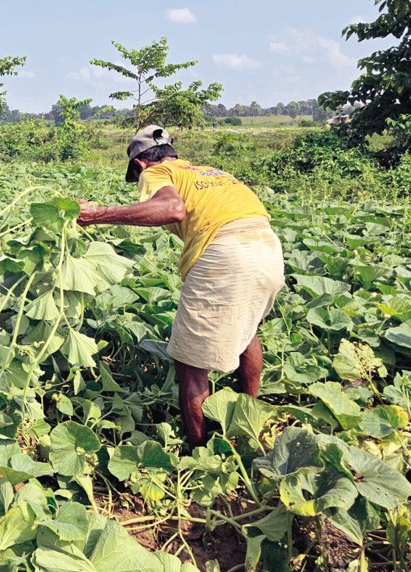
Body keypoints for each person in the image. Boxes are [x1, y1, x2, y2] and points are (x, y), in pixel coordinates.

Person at [76, 125, 284, 446]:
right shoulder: (212, 172)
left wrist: (96, 215)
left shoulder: (156, 173)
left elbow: (171, 208)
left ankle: (198, 451)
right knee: (246, 331)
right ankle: (249, 419)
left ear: (139, 164)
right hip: (267, 248)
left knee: (190, 365)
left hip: (227, 254)